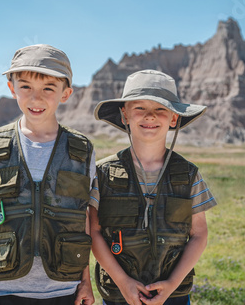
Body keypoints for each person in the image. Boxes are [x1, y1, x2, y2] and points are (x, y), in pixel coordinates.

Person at [0, 44, 95, 305]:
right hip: (6, 289)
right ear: (11, 88)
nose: (35, 98)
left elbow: (82, 215)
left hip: (66, 288)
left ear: (66, 93)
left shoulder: (82, 150)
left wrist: (86, 281)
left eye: (48, 88)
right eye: (25, 86)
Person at [89, 69, 217, 305]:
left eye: (160, 109)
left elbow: (199, 234)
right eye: (139, 108)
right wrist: (123, 281)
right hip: (118, 295)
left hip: (174, 296)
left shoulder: (188, 174)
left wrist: (171, 285)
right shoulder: (102, 173)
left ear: (174, 118)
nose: (150, 117)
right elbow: (94, 232)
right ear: (124, 115)